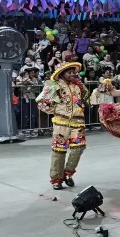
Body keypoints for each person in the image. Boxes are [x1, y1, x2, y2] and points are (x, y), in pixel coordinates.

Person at [36, 61, 89, 190]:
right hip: (61, 122)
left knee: (79, 148)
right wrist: (53, 109)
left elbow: (85, 100)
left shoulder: (78, 87)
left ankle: (68, 173)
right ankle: (56, 179)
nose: (72, 74)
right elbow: (41, 101)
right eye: (69, 72)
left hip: (78, 122)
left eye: (73, 72)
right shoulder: (54, 85)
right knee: (59, 150)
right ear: (62, 73)